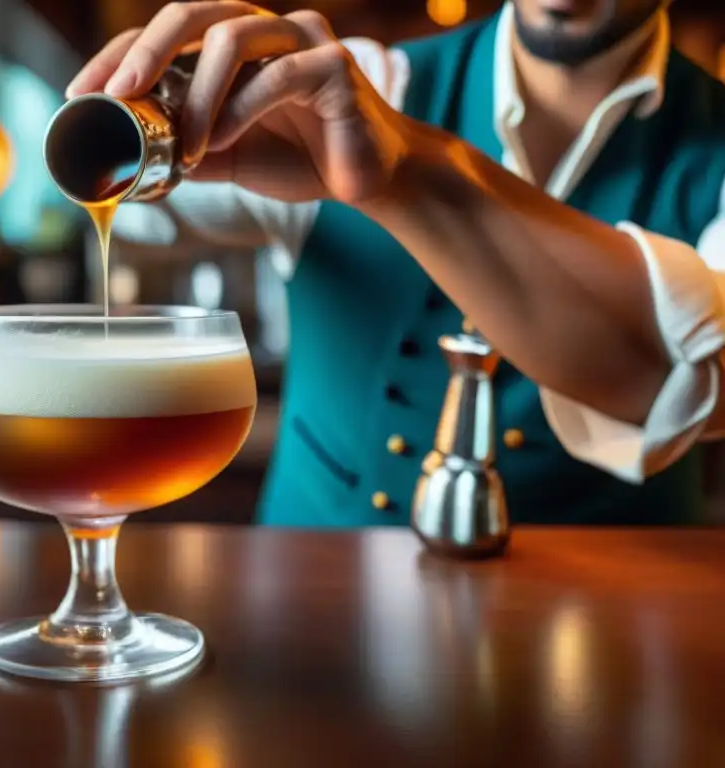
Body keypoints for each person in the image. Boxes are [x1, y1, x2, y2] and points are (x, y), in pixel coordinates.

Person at [66, 0, 725, 527]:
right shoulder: (359, 81)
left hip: (613, 644)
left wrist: (403, 171)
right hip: (311, 623)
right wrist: (150, 106)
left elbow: (692, 375)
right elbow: (145, 218)